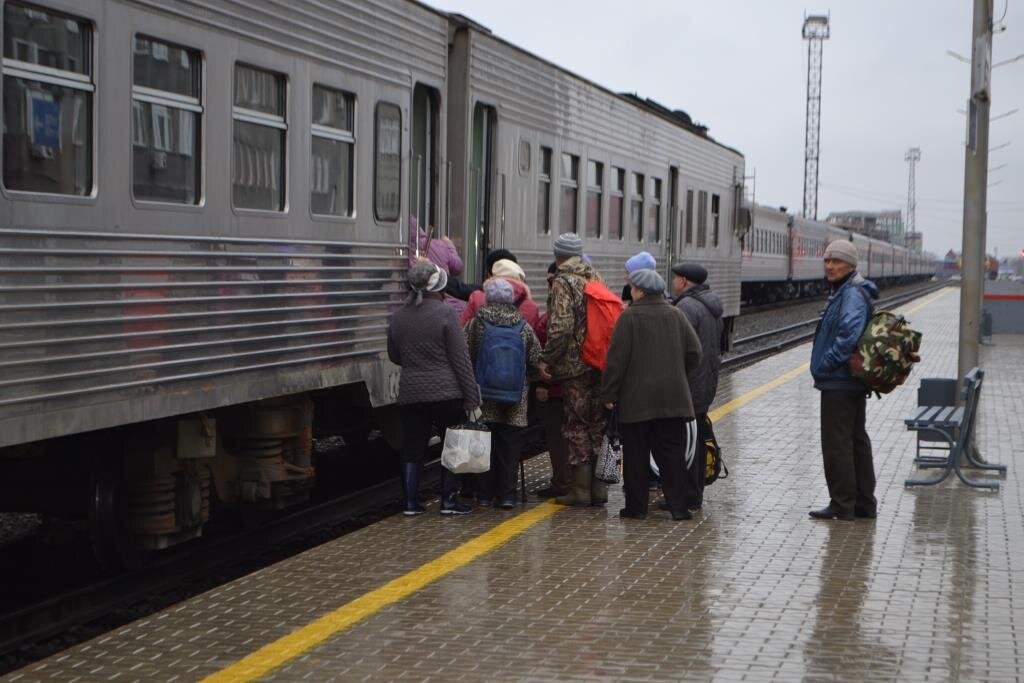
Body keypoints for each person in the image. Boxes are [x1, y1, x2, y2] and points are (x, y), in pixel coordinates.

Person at [602, 269, 703, 520]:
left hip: (636, 403)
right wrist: (678, 374)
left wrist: (609, 394)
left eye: (633, 289)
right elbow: (695, 354)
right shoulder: (676, 315)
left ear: (640, 291)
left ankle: (636, 509)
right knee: (672, 455)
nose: (631, 293)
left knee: (636, 456)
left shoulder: (629, 318)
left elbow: (617, 361)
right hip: (673, 401)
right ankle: (679, 508)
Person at [387, 260, 481, 516]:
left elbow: (395, 355)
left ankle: (410, 504)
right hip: (446, 393)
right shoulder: (446, 313)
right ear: (438, 286)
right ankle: (449, 502)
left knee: (412, 448)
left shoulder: (398, 317)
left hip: (411, 393)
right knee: (451, 445)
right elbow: (460, 359)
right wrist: (472, 397)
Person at [809, 239, 879, 521]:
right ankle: (863, 503)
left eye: (836, 261)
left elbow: (847, 336)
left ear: (851, 265)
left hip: (839, 380)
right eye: (827, 261)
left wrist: (824, 366)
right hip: (848, 380)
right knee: (855, 440)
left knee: (836, 444)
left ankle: (842, 503)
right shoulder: (850, 291)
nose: (830, 266)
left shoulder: (849, 294)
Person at [541, 233, 608, 507]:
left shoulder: (563, 281)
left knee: (576, 424)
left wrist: (547, 358)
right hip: (599, 362)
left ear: (558, 255)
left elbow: (560, 327)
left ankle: (580, 490)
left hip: (574, 366)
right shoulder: (596, 277)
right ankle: (600, 489)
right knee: (597, 424)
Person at [465, 279, 542, 508]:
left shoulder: (477, 324)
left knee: (484, 445)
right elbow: (537, 359)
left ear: (487, 298)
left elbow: (466, 354)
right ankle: (508, 495)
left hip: (484, 397)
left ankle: (485, 495)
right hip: (515, 399)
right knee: (510, 447)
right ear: (511, 299)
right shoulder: (522, 326)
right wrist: (528, 380)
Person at [671, 262, 724, 510]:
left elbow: (678, 350)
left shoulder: (686, 307)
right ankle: (695, 493)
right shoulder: (711, 305)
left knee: (686, 443)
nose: (673, 283)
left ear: (683, 281)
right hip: (706, 383)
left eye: (675, 279)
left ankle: (687, 497)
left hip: (689, 386)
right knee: (698, 439)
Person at [533, 261, 571, 498]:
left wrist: (548, 386)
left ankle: (563, 484)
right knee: (583, 438)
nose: (549, 287)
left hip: (558, 391)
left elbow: (550, 355)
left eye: (551, 282)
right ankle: (585, 487)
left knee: (559, 440)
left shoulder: (553, 319)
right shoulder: (587, 310)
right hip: (583, 388)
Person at [460, 258, 541, 334]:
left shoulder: (477, 298)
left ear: (492, 277)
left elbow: (462, 331)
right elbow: (531, 343)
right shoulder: (532, 307)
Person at [408, 216, 468, 315]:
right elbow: (457, 267)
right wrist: (449, 245)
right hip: (453, 306)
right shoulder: (439, 245)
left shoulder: (401, 253)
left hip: (421, 309)